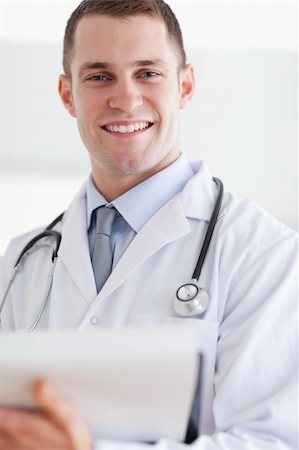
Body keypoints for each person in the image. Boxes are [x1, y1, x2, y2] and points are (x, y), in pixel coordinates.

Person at [0, 0, 297, 449]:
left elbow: (270, 441)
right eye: (99, 76)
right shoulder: (24, 260)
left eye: (148, 73)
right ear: (67, 95)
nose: (125, 99)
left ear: (185, 85)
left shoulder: (263, 254)